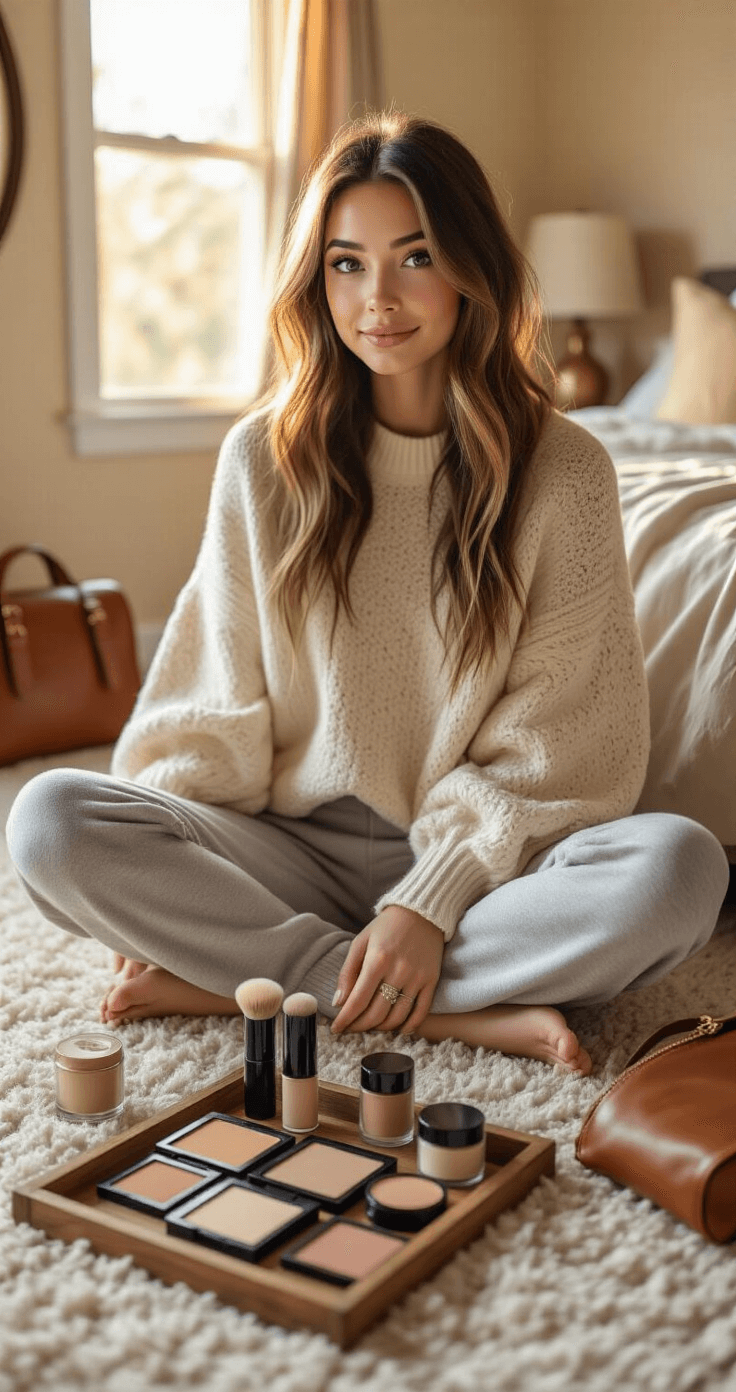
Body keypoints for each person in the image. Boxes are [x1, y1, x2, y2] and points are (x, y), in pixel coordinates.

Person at [6, 112, 728, 1074]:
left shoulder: (568, 471)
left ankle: (258, 982)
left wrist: (431, 896)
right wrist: (158, 860)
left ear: (473, 268)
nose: (377, 298)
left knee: (681, 870)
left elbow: (565, 751)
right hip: (285, 845)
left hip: (480, 868)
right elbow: (208, 702)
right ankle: (435, 1007)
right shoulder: (264, 459)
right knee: (49, 819)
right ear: (318, 279)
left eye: (414, 256)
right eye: (346, 263)